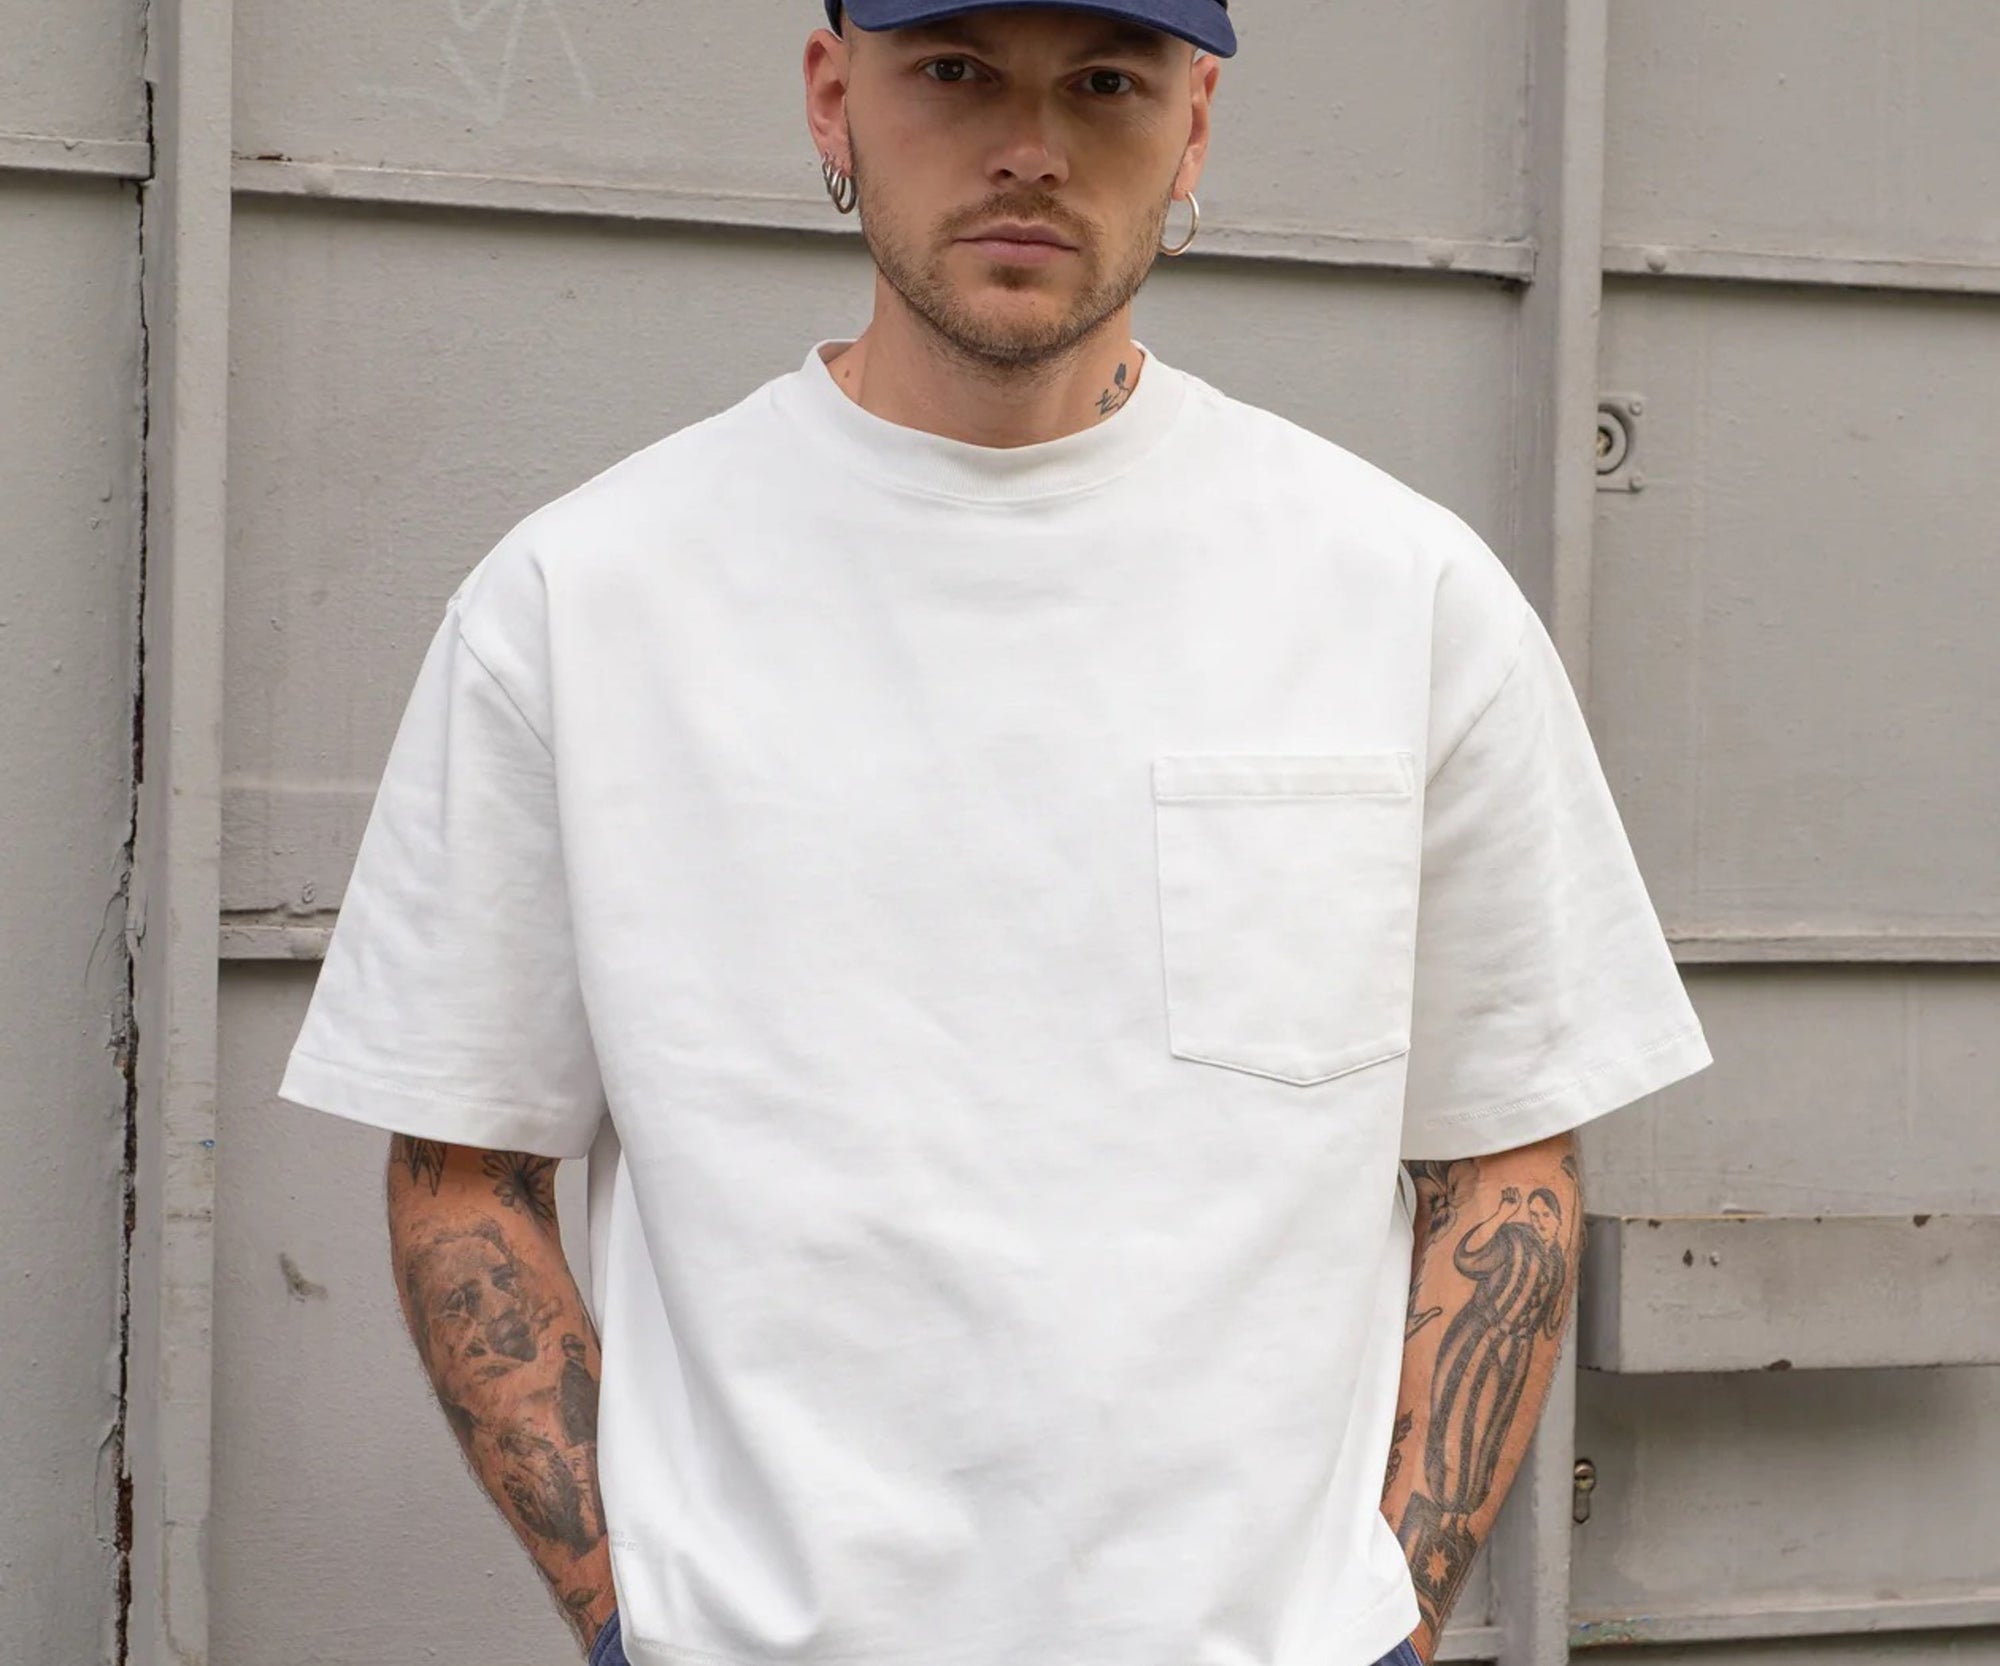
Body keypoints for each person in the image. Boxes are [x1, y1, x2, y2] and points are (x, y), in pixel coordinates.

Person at [275, 3, 1713, 1664]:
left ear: (1195, 124)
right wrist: (627, 1617)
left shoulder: (1399, 593)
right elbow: (464, 1164)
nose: (1030, 147)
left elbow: (1504, 1154)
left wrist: (1391, 1616)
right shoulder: (583, 600)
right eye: (954, 71)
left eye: (1105, 82)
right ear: (834, 98)